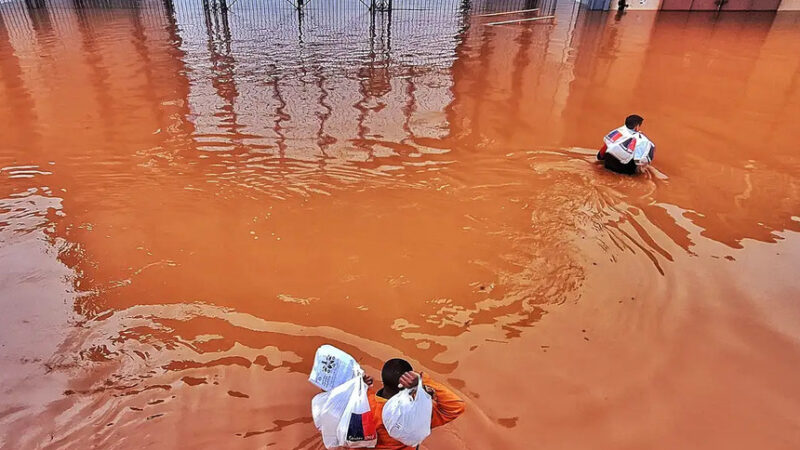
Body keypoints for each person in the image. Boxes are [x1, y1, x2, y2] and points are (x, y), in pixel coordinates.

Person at [362, 358, 465, 449]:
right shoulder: (417, 413)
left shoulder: (364, 406)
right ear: (408, 384)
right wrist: (423, 380)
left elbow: (352, 440)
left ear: (383, 379)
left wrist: (361, 388)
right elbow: (456, 406)